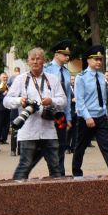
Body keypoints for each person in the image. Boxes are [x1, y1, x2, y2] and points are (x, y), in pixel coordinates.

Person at [3, 48, 66, 179]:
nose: (35, 61)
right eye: (32, 59)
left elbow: (63, 101)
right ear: (28, 62)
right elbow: (6, 101)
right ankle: (16, 194)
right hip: (28, 130)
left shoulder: (52, 79)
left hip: (48, 130)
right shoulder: (20, 79)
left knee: (56, 167)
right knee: (25, 165)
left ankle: (59, 197)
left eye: (38, 58)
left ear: (44, 61)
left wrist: (51, 101)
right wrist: (20, 100)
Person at [72, 45, 108, 180]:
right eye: (95, 59)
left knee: (106, 146)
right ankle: (76, 172)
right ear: (88, 60)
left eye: (100, 59)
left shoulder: (101, 77)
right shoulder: (81, 77)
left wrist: (104, 114)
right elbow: (80, 101)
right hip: (86, 118)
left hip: (100, 117)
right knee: (80, 147)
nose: (98, 61)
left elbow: (103, 99)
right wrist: (87, 117)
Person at [43, 41, 72, 172]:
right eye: (64, 54)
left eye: (68, 55)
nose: (67, 57)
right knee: (48, 145)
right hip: (47, 113)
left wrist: (69, 117)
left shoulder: (66, 72)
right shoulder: (46, 69)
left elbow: (67, 97)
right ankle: (53, 171)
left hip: (60, 114)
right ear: (56, 54)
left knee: (61, 144)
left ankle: (60, 172)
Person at [0, 71, 11, 144]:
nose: (5, 79)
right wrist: (4, 94)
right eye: (4, 77)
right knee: (0, 123)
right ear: (0, 78)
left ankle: (4, 139)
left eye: (6, 77)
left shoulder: (9, 85)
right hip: (0, 108)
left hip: (8, 108)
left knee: (7, 124)